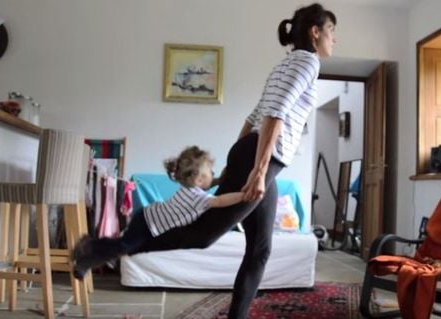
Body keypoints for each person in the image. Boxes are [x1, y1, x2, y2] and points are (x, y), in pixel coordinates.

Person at [77, 3, 336, 318]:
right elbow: (274, 113)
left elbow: (255, 115)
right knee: (202, 235)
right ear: (315, 32)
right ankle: (99, 250)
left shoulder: (287, 64)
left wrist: (242, 162)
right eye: (331, 31)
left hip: (255, 156)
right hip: (259, 159)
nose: (333, 39)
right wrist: (256, 169)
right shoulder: (307, 62)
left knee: (260, 249)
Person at [72, 146, 245, 279]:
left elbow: (206, 186)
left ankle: (88, 257)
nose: (213, 174)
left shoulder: (191, 189)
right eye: (210, 171)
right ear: (198, 179)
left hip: (148, 218)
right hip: (147, 223)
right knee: (124, 246)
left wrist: (219, 180)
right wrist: (244, 196)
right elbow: (221, 200)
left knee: (125, 248)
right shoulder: (198, 199)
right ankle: (89, 247)